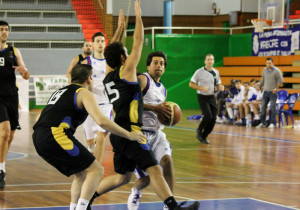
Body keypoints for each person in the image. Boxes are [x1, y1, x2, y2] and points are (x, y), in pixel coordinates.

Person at [88, 1, 200, 210]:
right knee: (155, 171)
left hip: (118, 133)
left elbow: (112, 51)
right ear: (124, 58)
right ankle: (174, 208)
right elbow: (139, 40)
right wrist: (138, 16)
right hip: (132, 133)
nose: (130, 54)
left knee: (122, 178)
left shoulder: (107, 75)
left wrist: (120, 29)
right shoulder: (127, 72)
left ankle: (86, 199)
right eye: (126, 53)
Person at [32, 64, 145, 210]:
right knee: (96, 170)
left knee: (81, 173)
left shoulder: (60, 91)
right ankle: (83, 208)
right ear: (89, 79)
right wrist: (129, 134)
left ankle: (74, 207)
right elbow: (102, 121)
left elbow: (39, 117)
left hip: (38, 136)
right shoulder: (83, 92)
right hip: (54, 135)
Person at [127, 51, 174, 210]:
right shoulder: (143, 79)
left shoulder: (164, 90)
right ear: (148, 66)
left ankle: (170, 206)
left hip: (157, 134)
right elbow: (131, 102)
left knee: (167, 161)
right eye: (155, 62)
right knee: (146, 179)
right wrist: (155, 108)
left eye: (161, 63)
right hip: (140, 134)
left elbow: (160, 113)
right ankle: (136, 190)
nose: (159, 66)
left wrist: (169, 117)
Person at [0, 20, 30, 188]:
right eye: (1, 29)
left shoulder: (14, 51)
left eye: (6, 30)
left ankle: (1, 165)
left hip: (12, 96)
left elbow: (26, 75)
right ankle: (1, 170)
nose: (4, 32)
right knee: (4, 133)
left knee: (9, 136)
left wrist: (24, 72)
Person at [189, 54, 221, 144]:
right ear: (205, 61)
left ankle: (204, 136)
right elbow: (191, 84)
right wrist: (201, 88)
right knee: (208, 116)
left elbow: (217, 84)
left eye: (211, 59)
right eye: (208, 59)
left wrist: (219, 87)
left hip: (212, 96)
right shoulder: (199, 72)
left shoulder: (216, 72)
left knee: (214, 118)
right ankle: (199, 130)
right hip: (202, 96)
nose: (210, 61)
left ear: (213, 61)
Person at [257, 57, 283, 128]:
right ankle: (263, 122)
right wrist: (259, 86)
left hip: (273, 92)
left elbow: (280, 81)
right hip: (265, 92)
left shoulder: (277, 70)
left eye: (270, 63)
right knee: (263, 108)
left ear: (272, 63)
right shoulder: (264, 70)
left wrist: (276, 88)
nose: (268, 64)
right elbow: (263, 79)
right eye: (267, 63)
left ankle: (273, 123)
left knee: (272, 107)